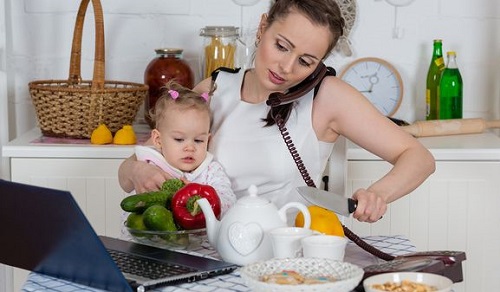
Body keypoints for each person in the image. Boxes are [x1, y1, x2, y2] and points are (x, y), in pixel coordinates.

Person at [119, 0, 435, 223]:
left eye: (306, 61)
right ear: (262, 27)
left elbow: (419, 158)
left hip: (284, 258)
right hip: (209, 250)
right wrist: (138, 170)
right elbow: (130, 169)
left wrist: (376, 194)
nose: (286, 68)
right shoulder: (215, 88)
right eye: (281, 46)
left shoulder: (327, 96)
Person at [134, 80, 235, 214]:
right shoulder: (150, 167)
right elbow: (133, 211)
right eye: (179, 139)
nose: (190, 147)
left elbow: (229, 202)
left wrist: (199, 195)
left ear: (208, 141)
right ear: (158, 140)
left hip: (202, 235)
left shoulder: (211, 171)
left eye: (198, 140)